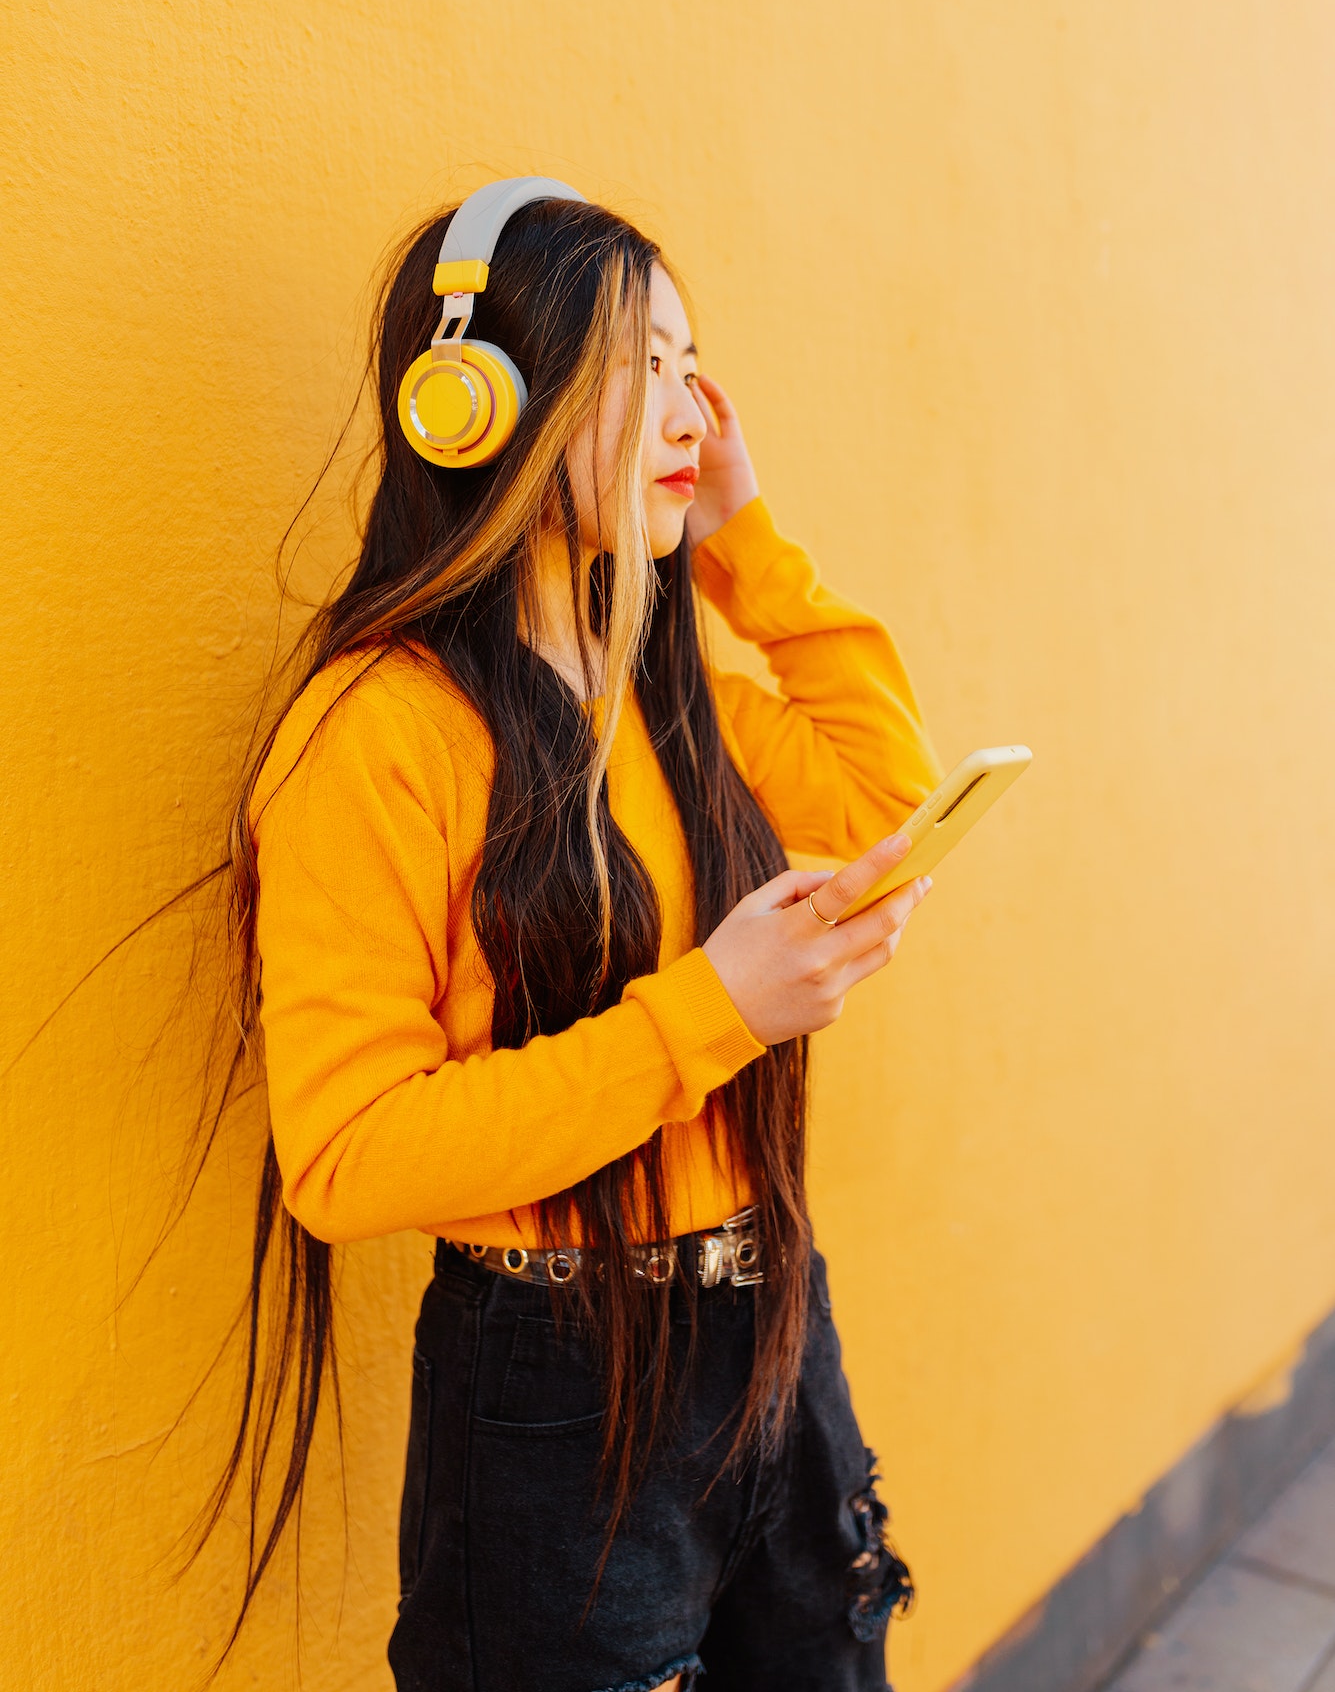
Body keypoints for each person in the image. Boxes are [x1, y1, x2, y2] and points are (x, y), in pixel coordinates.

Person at [230, 179, 941, 1692]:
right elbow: (347, 1156)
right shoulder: (376, 734)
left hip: (771, 1323)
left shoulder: (681, 699)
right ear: (473, 406)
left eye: (697, 370)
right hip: (552, 1392)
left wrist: (743, 537)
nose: (692, 410)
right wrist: (712, 1013)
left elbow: (887, 796)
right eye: (643, 371)